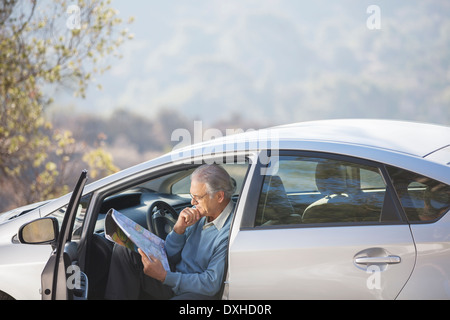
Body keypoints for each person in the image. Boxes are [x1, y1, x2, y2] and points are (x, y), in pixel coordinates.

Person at [104, 164, 236, 300]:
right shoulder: (199, 214)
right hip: (174, 275)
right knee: (124, 249)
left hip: (194, 291)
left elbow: (210, 284)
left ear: (219, 197)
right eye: (192, 196)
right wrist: (178, 229)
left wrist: (164, 276)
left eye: (198, 197)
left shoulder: (230, 231)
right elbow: (170, 255)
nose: (192, 202)